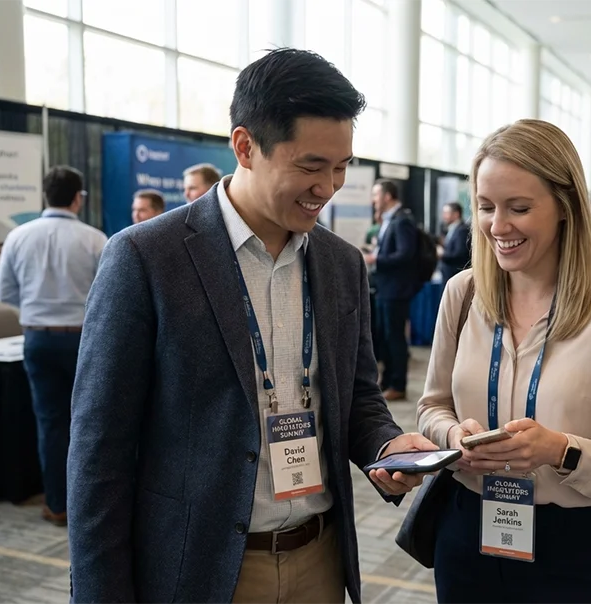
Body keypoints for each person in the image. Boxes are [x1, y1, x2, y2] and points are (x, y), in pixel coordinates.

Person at [67, 49, 434, 604]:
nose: (329, 186)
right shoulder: (146, 258)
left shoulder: (340, 264)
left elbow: (357, 395)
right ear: (245, 146)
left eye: (342, 167)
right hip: (203, 567)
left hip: (320, 557)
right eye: (311, 166)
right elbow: (100, 450)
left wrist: (386, 446)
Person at [417, 119, 591, 603]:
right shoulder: (463, 294)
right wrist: (452, 437)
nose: (497, 226)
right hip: (468, 529)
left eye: (519, 208)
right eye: (486, 207)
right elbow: (431, 407)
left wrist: (561, 450)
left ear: (566, 207)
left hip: (574, 544)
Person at [0, 166, 107, 526]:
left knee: (50, 423)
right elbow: (107, 294)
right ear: (78, 198)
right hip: (82, 339)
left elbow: (4, 292)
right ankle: (89, 503)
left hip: (37, 338)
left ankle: (57, 505)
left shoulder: (18, 237)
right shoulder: (94, 239)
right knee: (90, 422)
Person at [363, 180, 419, 401]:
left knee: (395, 337)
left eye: (376, 195)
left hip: (396, 290)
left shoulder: (403, 220)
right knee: (385, 336)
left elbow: (405, 255)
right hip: (385, 288)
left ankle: (398, 384)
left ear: (387, 196)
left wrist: (376, 258)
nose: (373, 200)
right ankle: (386, 381)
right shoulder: (389, 220)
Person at [438, 201, 470, 284]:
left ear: (456, 214)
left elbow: (459, 254)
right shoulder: (451, 229)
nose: (444, 216)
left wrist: (442, 254)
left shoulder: (462, 230)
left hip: (455, 276)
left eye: (446, 213)